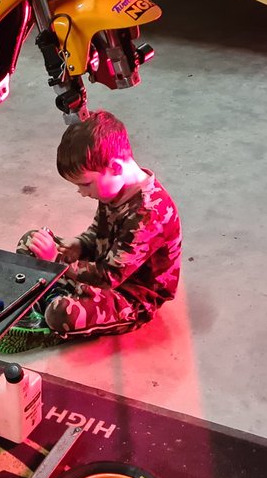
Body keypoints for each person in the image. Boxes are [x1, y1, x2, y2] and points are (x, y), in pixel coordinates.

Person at [12, 110, 181, 343]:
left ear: (115, 167)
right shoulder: (113, 191)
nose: (82, 193)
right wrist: (78, 245)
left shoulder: (150, 213)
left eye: (86, 184)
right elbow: (97, 232)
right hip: (99, 269)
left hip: (129, 295)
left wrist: (58, 261)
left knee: (61, 314)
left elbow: (110, 276)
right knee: (31, 241)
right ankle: (56, 293)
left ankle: (49, 312)